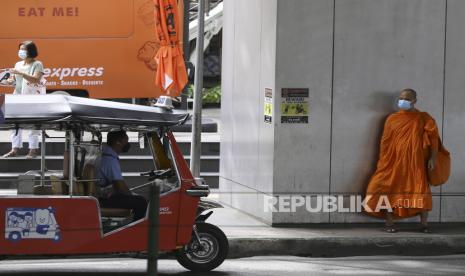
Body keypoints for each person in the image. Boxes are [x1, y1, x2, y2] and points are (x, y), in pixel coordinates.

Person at [364, 89, 441, 234]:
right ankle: (389, 222)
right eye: (400, 98)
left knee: (420, 190)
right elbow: (385, 141)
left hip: (415, 162)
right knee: (387, 188)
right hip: (394, 162)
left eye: (406, 98)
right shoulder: (392, 118)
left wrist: (433, 157)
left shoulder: (423, 117)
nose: (402, 101)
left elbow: (433, 138)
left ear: (414, 101)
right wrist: (383, 161)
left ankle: (424, 225)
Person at [2, 41, 44, 159]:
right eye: (20, 49)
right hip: (17, 96)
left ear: (31, 50)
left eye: (24, 49)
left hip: (32, 97)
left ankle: (33, 150)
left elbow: (36, 79)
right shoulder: (18, 64)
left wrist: (20, 73)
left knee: (33, 124)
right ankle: (14, 149)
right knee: (15, 123)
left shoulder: (38, 64)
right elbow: (14, 80)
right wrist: (8, 81)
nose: (21, 51)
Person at [97, 130, 148, 221]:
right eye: (126, 141)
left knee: (135, 197)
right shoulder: (110, 159)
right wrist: (130, 195)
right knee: (141, 202)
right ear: (118, 142)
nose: (127, 144)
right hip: (102, 199)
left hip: (102, 194)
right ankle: (137, 231)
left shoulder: (105, 154)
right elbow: (119, 185)